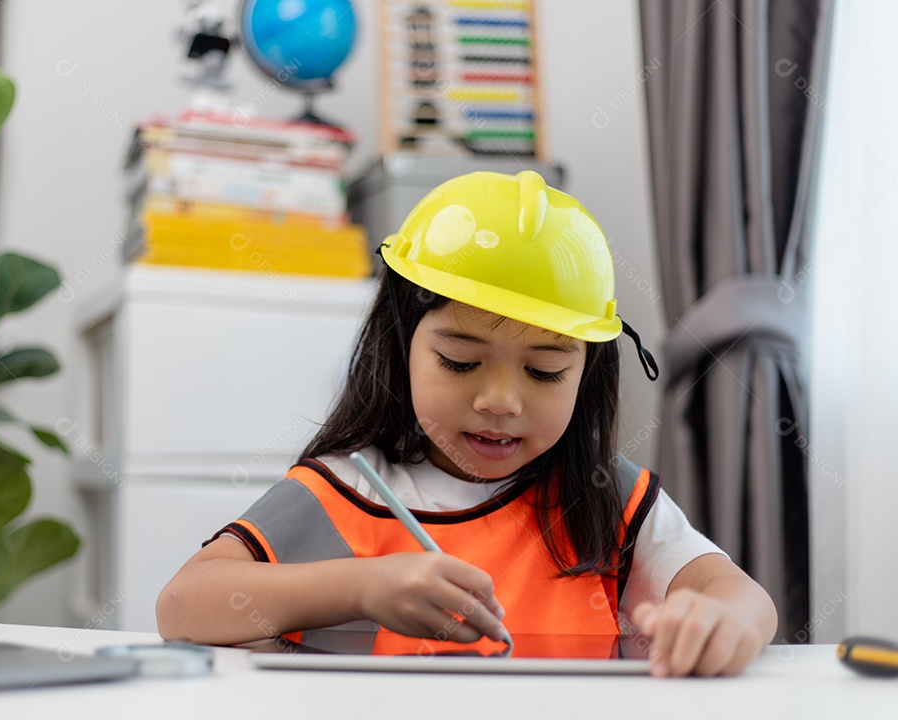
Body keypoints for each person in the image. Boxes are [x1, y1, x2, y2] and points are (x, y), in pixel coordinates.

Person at [157, 171, 777, 677]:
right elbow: (183, 605)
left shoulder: (605, 496)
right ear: (399, 344)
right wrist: (363, 587)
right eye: (460, 361)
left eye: (545, 372)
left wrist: (725, 623)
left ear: (587, 374)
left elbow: (744, 596)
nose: (501, 400)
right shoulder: (352, 489)